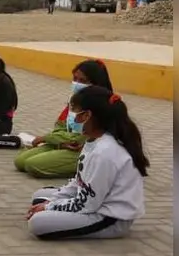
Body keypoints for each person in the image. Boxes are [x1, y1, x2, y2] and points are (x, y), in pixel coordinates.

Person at [26, 88, 148, 240]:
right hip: (94, 202)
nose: (70, 117)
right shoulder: (94, 141)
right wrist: (50, 202)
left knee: (38, 223)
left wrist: (49, 206)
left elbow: (88, 204)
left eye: (74, 112)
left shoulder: (104, 152)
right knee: (39, 196)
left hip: (109, 218)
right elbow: (79, 183)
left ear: (87, 115)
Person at [14, 59, 113, 179]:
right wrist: (60, 142)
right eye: (75, 79)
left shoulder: (101, 104)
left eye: (83, 81)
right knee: (20, 161)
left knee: (32, 165)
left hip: (83, 149)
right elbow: (59, 126)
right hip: (63, 143)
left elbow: (79, 140)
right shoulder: (74, 100)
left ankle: (84, 169)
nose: (76, 83)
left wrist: (47, 138)